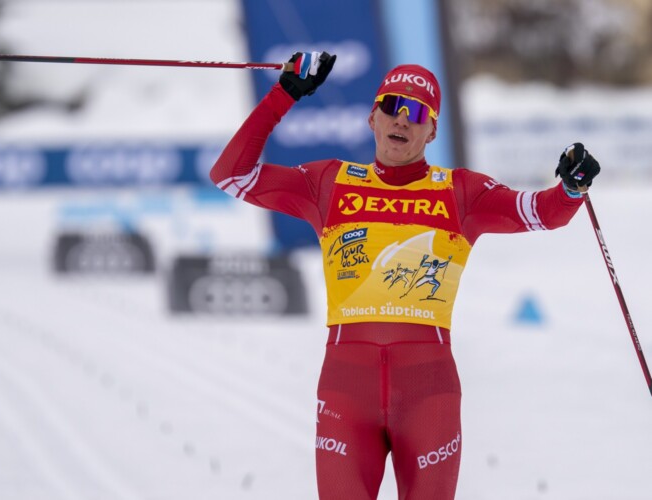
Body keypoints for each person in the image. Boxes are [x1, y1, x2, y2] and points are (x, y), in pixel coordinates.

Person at [210, 51, 600, 500]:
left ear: (432, 130)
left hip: (428, 395)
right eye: (392, 106)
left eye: (417, 113)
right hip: (345, 391)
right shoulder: (330, 183)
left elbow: (542, 212)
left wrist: (572, 188)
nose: (402, 119)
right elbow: (230, 175)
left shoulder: (461, 192)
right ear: (371, 117)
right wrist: (284, 93)